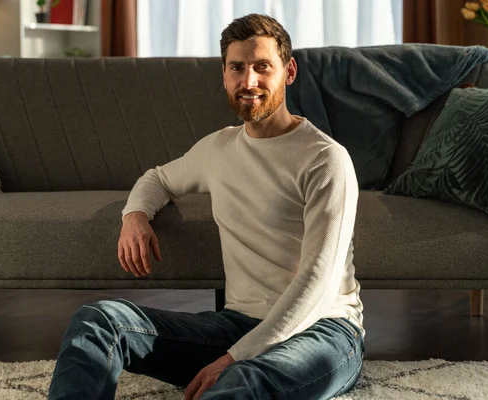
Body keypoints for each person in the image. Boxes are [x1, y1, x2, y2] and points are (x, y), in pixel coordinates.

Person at [48, 13, 365, 400]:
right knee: (98, 322)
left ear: (290, 71)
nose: (249, 82)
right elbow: (158, 178)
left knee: (239, 383)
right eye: (237, 68)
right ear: (225, 74)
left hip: (324, 330)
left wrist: (234, 358)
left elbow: (316, 283)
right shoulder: (219, 149)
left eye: (262, 67)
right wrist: (134, 216)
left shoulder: (325, 159)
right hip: (239, 325)